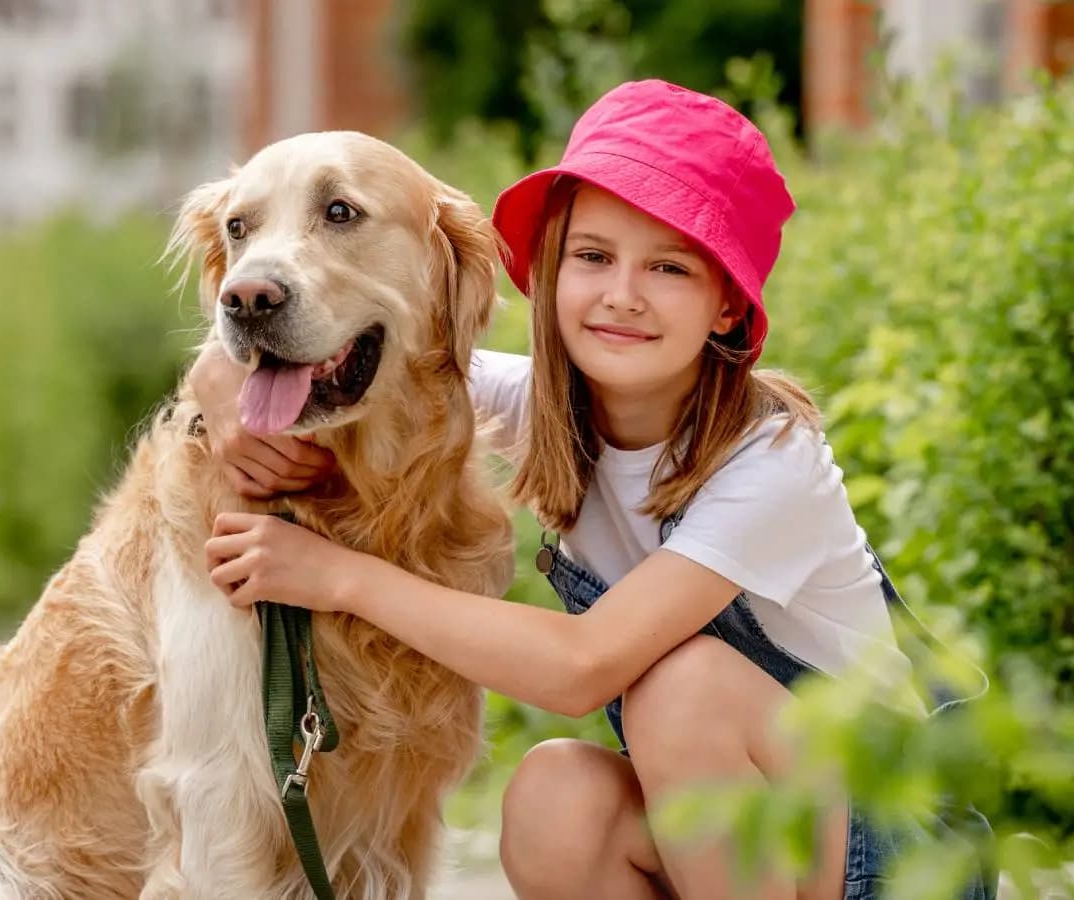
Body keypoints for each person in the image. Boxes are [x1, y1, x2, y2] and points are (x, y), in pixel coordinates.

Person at [189, 81, 993, 900]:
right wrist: (220, 384)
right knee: (553, 796)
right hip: (756, 841)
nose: (623, 295)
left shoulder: (771, 460)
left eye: (669, 267)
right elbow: (347, 341)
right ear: (551, 270)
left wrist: (337, 578)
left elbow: (582, 670)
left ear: (726, 305)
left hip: (900, 851)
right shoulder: (538, 406)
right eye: (594, 257)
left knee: (683, 690)